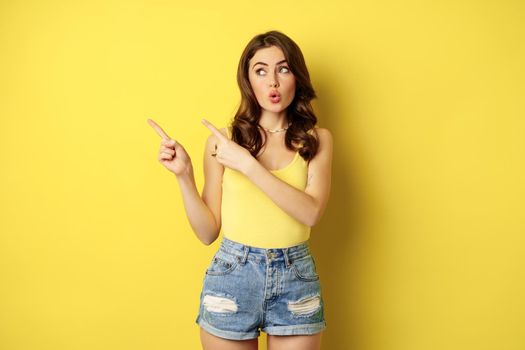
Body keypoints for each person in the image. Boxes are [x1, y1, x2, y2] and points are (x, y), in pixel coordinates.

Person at [148, 30, 333, 350]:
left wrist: (248, 165)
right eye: (260, 70)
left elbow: (312, 212)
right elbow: (207, 232)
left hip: (295, 279)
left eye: (283, 69)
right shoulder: (221, 142)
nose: (272, 81)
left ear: (296, 77)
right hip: (233, 274)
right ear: (248, 79)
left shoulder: (317, 139)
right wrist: (184, 176)